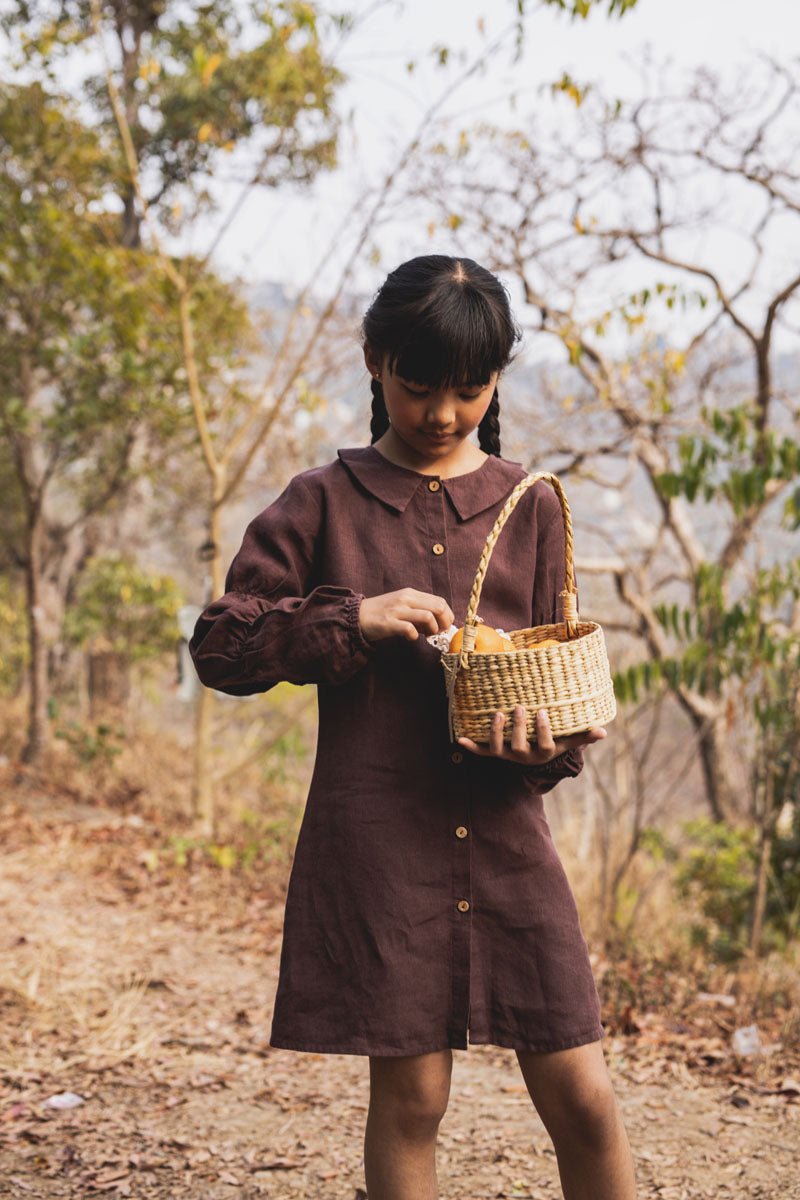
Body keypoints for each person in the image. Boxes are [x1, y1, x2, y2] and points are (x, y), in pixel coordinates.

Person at [189, 254, 637, 1200]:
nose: (442, 413)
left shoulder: (530, 507)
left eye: (469, 391)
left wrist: (543, 744)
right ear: (374, 362)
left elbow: (555, 704)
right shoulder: (322, 500)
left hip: (510, 842)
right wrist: (350, 618)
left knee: (584, 1093)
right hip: (379, 843)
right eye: (418, 387)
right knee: (413, 1099)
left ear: (497, 381)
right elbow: (221, 647)